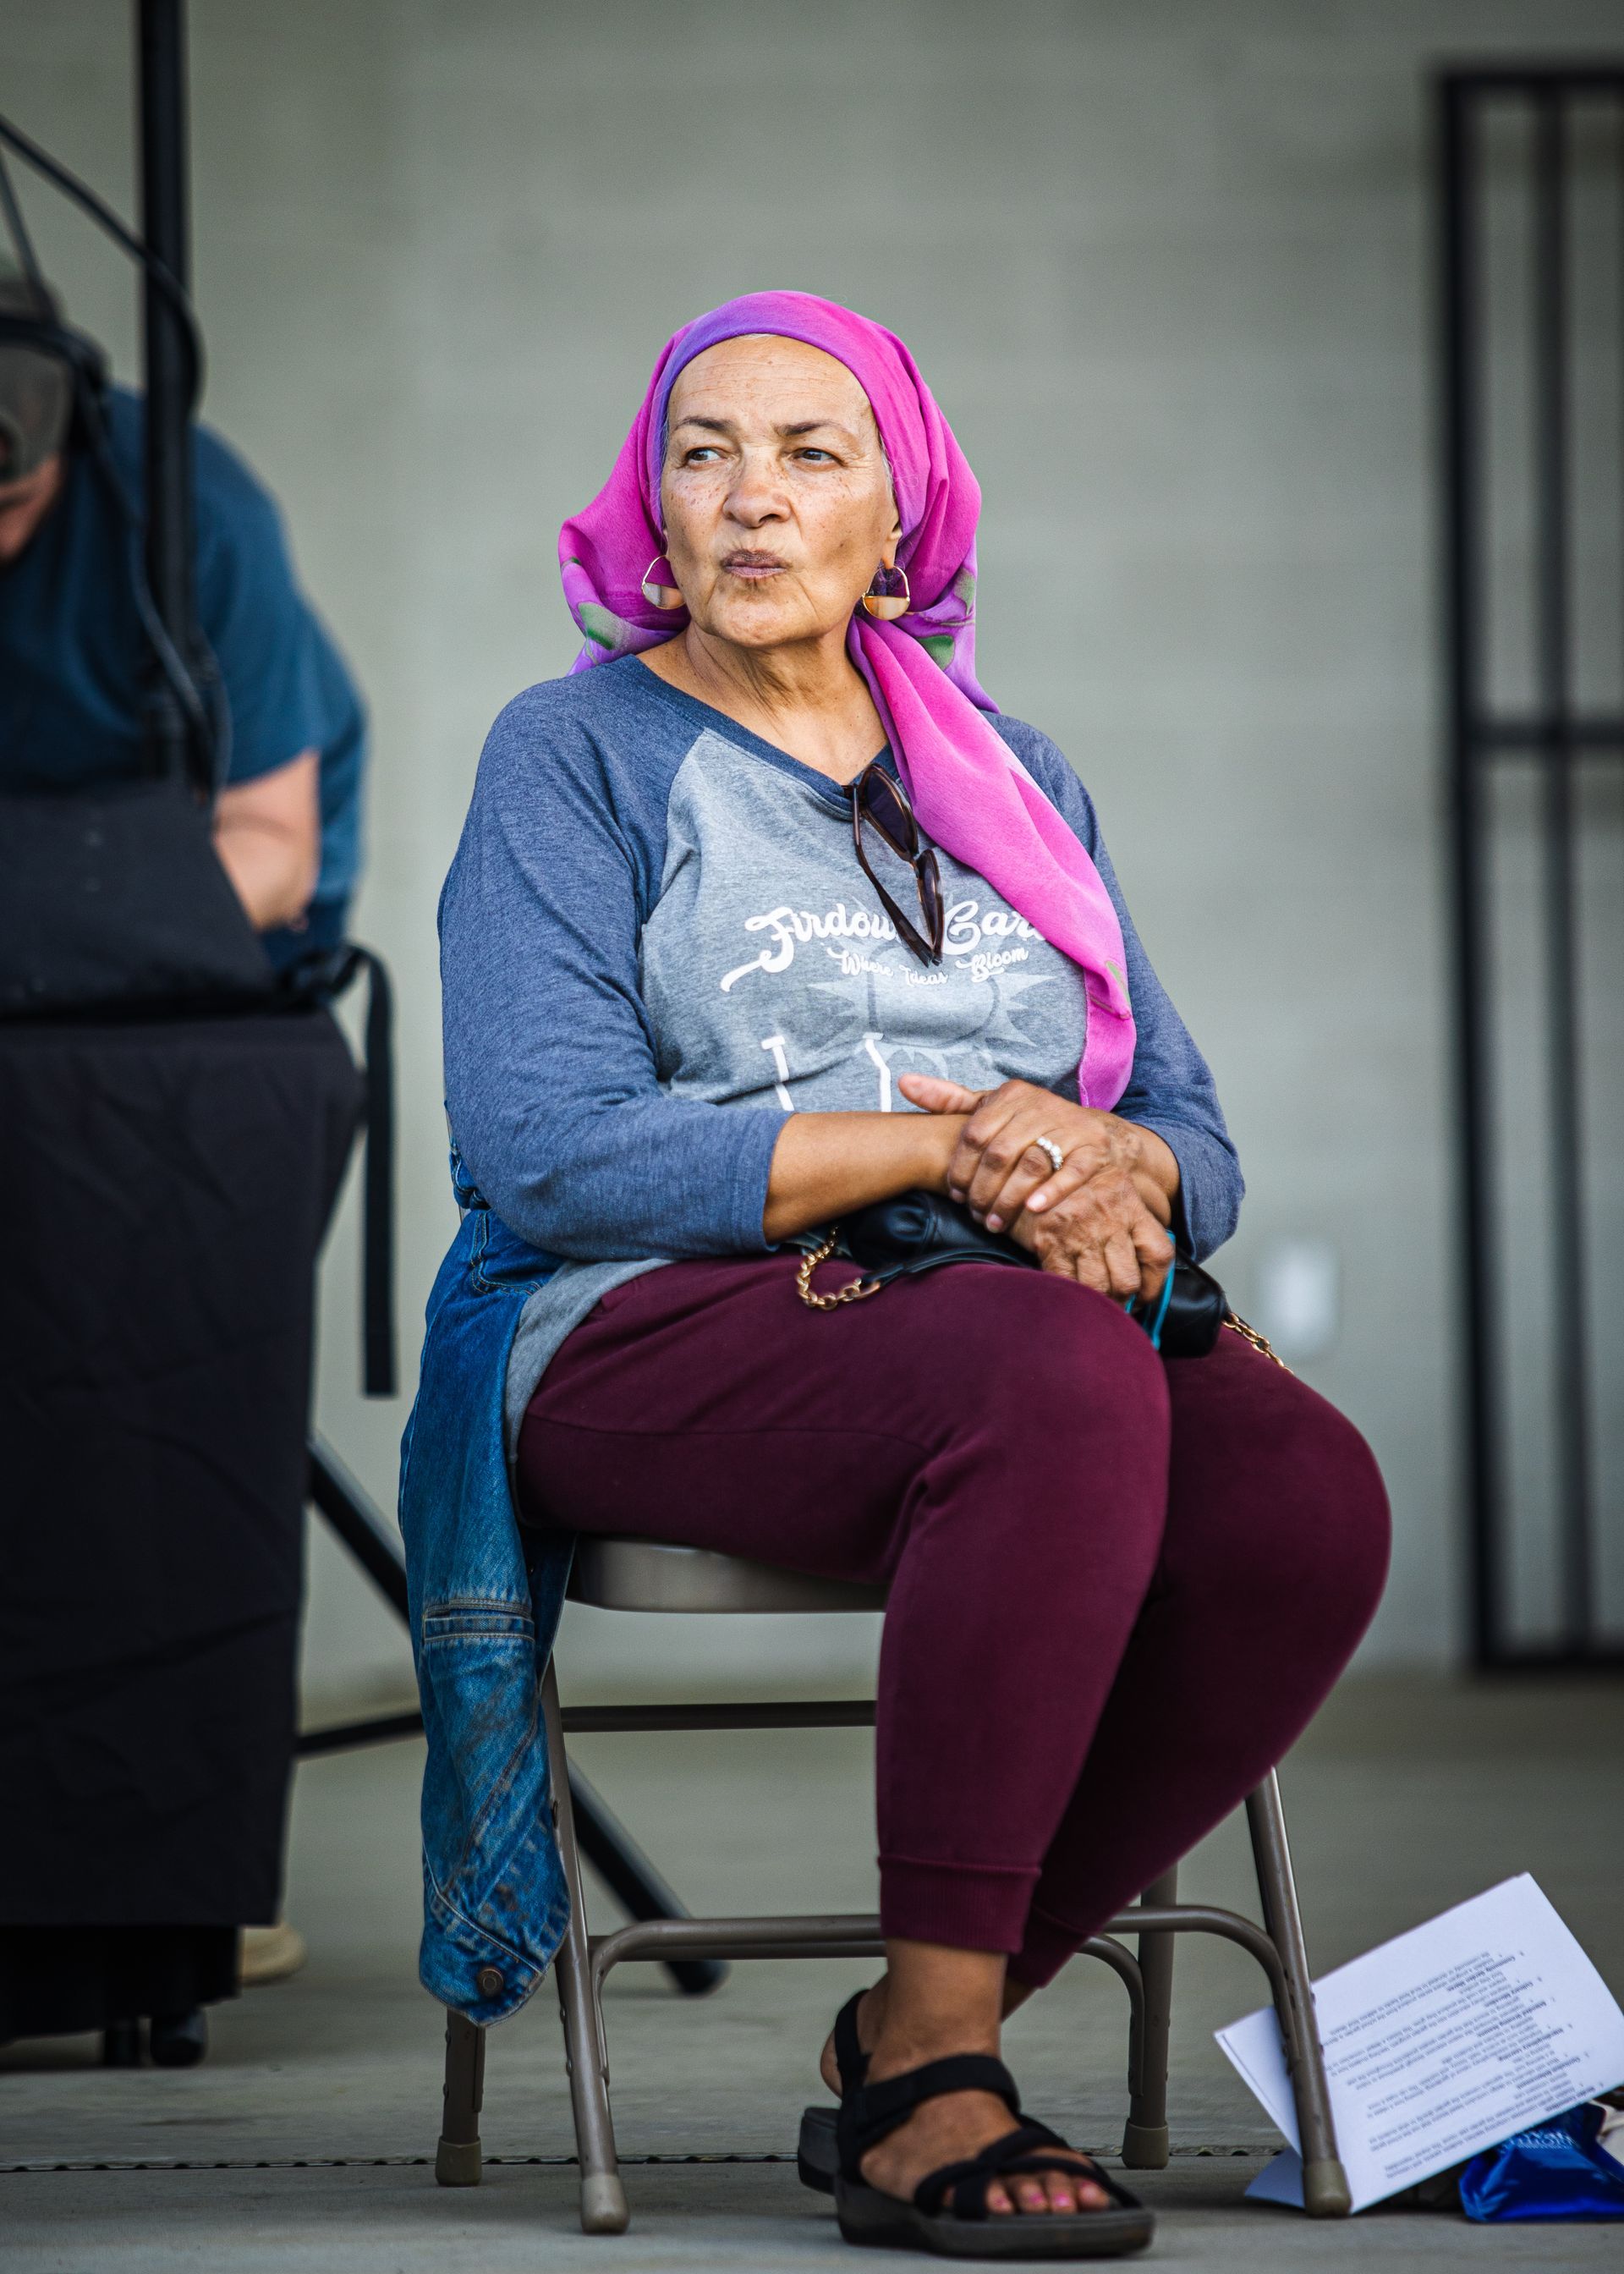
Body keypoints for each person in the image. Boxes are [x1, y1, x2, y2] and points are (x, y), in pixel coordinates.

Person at [406, 291, 1390, 2256]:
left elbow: (1184, 1131)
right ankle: (939, 2081)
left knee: (1295, 1493)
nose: (749, 500)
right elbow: (552, 1148)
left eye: (807, 453)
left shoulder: (1009, 771)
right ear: (651, 504)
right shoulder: (572, 756)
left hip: (992, 1314)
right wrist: (955, 1145)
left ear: (903, 507)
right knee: (1049, 1367)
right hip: (632, 1324)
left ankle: (912, 2020)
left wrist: (1106, 1159)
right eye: (705, 454)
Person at [0, 265, 365, 2062]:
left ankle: (129, 1899)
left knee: (128, 1368)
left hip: (189, 1008)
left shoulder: (182, 505)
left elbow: (270, 849)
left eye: (8, 499)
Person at [0, 266, 365, 963]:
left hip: (228, 879)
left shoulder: (203, 521)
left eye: (11, 507)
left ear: (76, 433)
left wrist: (46, 931)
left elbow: (273, 848)